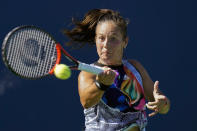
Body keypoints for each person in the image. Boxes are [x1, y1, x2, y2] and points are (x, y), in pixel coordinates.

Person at [63, 9, 170, 131]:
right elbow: (86, 102)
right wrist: (101, 84)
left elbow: (163, 105)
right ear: (95, 39)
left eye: (113, 38)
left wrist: (162, 104)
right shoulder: (88, 73)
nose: (106, 44)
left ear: (125, 42)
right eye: (101, 38)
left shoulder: (135, 67)